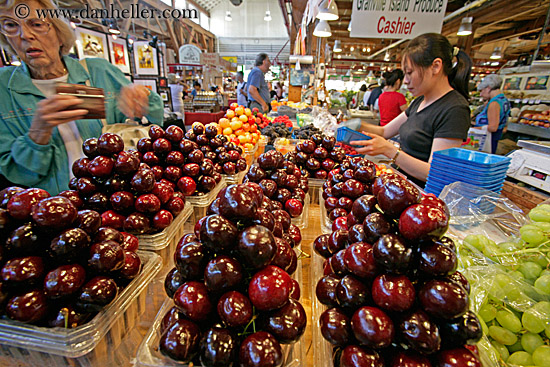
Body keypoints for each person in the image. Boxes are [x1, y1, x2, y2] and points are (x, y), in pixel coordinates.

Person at [0, 0, 163, 195]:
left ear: (59, 33)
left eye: (36, 24)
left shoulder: (99, 72)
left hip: (114, 202)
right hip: (52, 210)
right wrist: (37, 134)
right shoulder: (4, 90)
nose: (25, 35)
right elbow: (16, 175)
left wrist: (142, 99)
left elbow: (153, 121)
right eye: (10, 25)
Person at [352, 33, 472, 184]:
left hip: (423, 200)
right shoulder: (419, 101)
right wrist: (357, 124)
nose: (406, 81)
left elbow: (435, 173)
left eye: (410, 73)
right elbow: (385, 131)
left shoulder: (455, 109)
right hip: (402, 188)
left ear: (435, 66)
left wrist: (390, 151)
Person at [474, 74, 511, 154]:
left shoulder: (494, 103)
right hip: (495, 138)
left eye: (481, 91)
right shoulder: (504, 100)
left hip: (487, 141)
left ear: (488, 88)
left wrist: (473, 130)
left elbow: (493, 127)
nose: (481, 94)